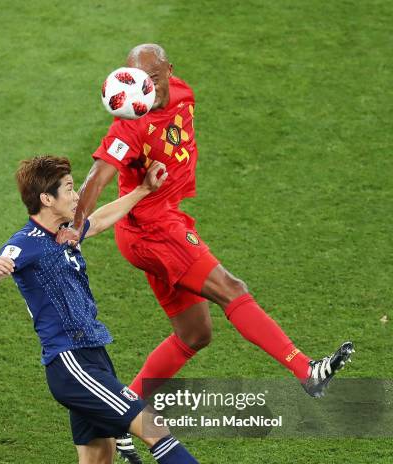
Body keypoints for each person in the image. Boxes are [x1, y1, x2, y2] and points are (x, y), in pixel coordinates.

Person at [0, 155, 280, 464]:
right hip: (71, 364)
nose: (75, 192)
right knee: (150, 426)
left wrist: (142, 192)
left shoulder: (66, 232)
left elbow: (98, 219)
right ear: (45, 198)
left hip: (93, 359)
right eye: (67, 188)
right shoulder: (23, 243)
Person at [64, 43, 354, 411]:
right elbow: (96, 177)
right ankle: (306, 371)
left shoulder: (183, 91)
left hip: (159, 222)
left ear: (170, 71)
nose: (145, 89)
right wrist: (75, 228)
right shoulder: (129, 127)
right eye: (138, 81)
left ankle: (124, 410)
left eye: (152, 78)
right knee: (232, 289)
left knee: (195, 333)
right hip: (153, 229)